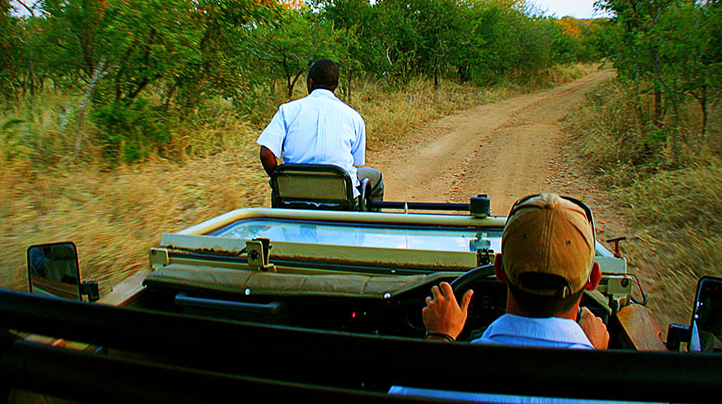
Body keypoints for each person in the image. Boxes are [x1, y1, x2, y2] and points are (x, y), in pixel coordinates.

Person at [389, 193, 617, 403]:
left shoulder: (430, 379)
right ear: (593, 279)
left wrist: (439, 341)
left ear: (498, 269)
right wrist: (591, 360)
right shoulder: (617, 391)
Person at [256, 58, 384, 202]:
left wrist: (279, 180)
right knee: (375, 178)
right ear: (335, 85)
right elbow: (356, 162)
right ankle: (365, 220)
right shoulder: (353, 117)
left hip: (294, 195)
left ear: (310, 82)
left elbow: (266, 153)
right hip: (339, 196)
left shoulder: (287, 111)